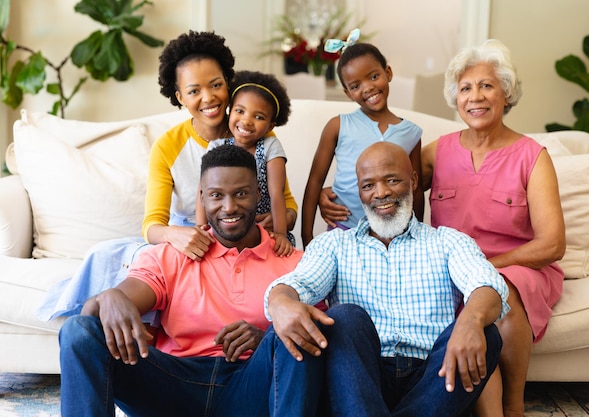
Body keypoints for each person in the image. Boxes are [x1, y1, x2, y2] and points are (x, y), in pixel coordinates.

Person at [36, 30, 298, 321]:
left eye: (216, 85)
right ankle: (104, 318)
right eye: (194, 91)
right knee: (110, 255)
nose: (208, 98)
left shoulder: (253, 131)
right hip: (192, 235)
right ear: (179, 97)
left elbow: (284, 201)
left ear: (229, 83)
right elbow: (152, 225)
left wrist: (278, 221)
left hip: (244, 233)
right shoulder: (168, 146)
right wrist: (178, 235)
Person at [58, 144, 323, 417]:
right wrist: (108, 297)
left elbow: (324, 340)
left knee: (299, 331)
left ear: (257, 193)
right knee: (78, 331)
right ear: (202, 198)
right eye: (216, 195)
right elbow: (102, 311)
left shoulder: (294, 262)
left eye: (241, 194)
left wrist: (265, 339)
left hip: (250, 388)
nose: (229, 207)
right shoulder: (172, 255)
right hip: (172, 385)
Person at [266, 141, 510, 417]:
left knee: (486, 332)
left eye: (392, 180)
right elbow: (300, 283)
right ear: (359, 192)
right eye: (368, 185)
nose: (380, 193)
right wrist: (280, 300)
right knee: (346, 318)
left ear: (413, 180)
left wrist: (472, 320)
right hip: (357, 378)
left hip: (434, 379)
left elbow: (487, 284)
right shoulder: (333, 245)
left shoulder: (449, 241)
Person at [421, 39, 566, 417]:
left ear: (506, 93)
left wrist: (490, 265)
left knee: (498, 290)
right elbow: (387, 189)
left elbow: (552, 244)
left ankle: (514, 403)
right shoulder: (438, 151)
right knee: (475, 296)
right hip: (457, 267)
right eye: (465, 88)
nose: (475, 97)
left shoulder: (532, 156)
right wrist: (328, 195)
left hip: (520, 267)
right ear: (456, 99)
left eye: (486, 86)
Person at [300, 40, 423, 247]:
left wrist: (418, 238)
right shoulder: (338, 126)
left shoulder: (411, 133)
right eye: (356, 86)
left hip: (392, 234)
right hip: (344, 230)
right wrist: (307, 237)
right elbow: (314, 182)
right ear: (348, 93)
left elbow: (415, 190)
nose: (368, 88)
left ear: (388, 73)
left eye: (374, 76)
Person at [196, 70, 295, 255]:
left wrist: (280, 234)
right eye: (240, 111)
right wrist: (201, 227)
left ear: (270, 126)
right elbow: (202, 191)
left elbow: (276, 194)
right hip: (225, 231)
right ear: (229, 111)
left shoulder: (270, 147)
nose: (246, 121)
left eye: (258, 117)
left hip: (263, 232)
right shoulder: (217, 146)